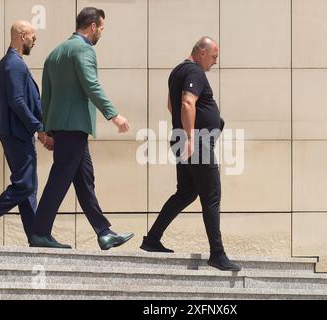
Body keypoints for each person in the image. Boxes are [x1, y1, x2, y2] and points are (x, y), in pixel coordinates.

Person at [29, 7, 134, 250]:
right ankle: (40, 232)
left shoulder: (55, 53)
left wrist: (46, 130)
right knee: (59, 178)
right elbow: (91, 85)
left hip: (64, 128)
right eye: (102, 29)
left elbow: (47, 96)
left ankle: (103, 232)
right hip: (74, 127)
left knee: (84, 179)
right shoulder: (83, 49)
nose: (101, 34)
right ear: (93, 26)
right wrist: (113, 115)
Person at [140, 37, 241, 272]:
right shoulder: (195, 72)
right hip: (196, 143)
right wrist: (191, 137)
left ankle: (152, 239)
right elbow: (186, 103)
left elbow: (170, 105)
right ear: (201, 52)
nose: (216, 62)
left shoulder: (177, 71)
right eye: (214, 56)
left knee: (186, 192)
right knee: (211, 196)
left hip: (183, 139)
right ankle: (217, 254)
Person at [0, 21, 53, 245]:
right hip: (17, 134)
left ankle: (35, 235)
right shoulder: (13, 64)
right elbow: (17, 101)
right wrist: (39, 129)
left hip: (16, 133)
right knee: (25, 185)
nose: (34, 41)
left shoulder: (10, 63)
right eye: (33, 37)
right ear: (22, 36)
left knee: (27, 186)